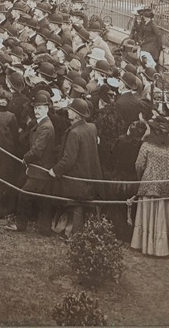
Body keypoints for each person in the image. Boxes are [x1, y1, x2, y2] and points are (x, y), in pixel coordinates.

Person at [49, 98, 103, 238]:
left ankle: (74, 234)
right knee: (80, 204)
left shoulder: (74, 133)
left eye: (70, 111)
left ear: (76, 114)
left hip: (76, 178)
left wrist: (55, 170)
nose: (68, 112)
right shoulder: (92, 127)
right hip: (89, 175)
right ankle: (73, 231)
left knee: (76, 205)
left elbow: (69, 159)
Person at [5, 90, 58, 235]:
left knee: (24, 195)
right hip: (42, 169)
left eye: (40, 108)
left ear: (47, 109)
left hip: (39, 169)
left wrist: (25, 158)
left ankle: (21, 225)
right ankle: (45, 228)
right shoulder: (42, 123)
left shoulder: (46, 126)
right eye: (35, 108)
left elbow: (37, 151)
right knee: (44, 200)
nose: (37, 111)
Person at [131, 115, 169, 257]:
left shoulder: (146, 147)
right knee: (163, 217)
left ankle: (147, 246)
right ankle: (164, 248)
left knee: (148, 216)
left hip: (148, 186)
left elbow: (139, 165)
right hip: (167, 187)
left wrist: (141, 178)